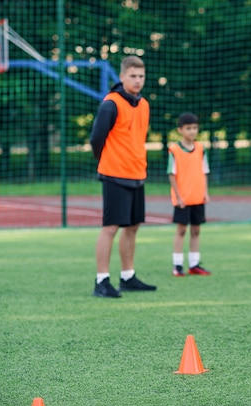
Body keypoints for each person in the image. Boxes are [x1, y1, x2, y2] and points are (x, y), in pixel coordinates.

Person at [90, 55, 157, 298]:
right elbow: (96, 139)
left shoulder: (145, 104)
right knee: (110, 228)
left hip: (137, 173)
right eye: (133, 76)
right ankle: (102, 281)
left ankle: (127, 276)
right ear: (122, 77)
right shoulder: (111, 103)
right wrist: (106, 161)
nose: (138, 81)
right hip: (114, 174)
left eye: (141, 76)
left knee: (133, 227)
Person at [167, 112, 212, 276]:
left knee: (196, 230)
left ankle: (194, 264)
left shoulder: (201, 148)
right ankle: (177, 265)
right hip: (183, 199)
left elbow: (204, 171)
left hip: (197, 196)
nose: (192, 131)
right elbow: (171, 174)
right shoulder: (174, 150)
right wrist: (178, 196)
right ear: (180, 130)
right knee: (181, 231)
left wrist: (205, 192)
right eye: (188, 128)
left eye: (194, 128)